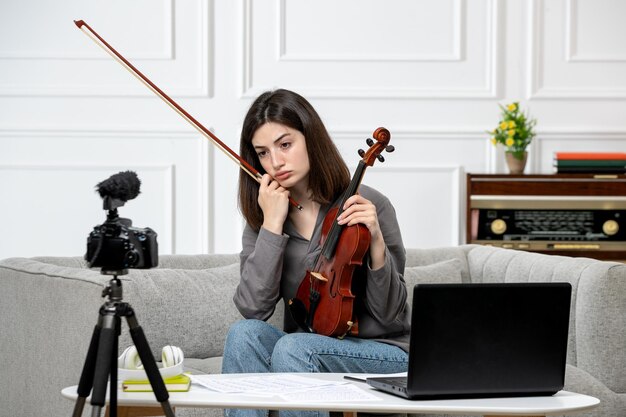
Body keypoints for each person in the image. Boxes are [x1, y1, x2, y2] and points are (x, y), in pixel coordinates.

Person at [222, 89, 410, 417]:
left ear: (311, 139)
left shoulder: (369, 204)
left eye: (285, 144)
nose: (276, 162)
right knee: (244, 334)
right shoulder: (265, 218)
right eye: (263, 153)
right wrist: (271, 226)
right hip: (307, 348)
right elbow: (253, 309)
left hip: (386, 353)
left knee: (294, 346)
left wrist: (376, 243)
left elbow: (391, 314)